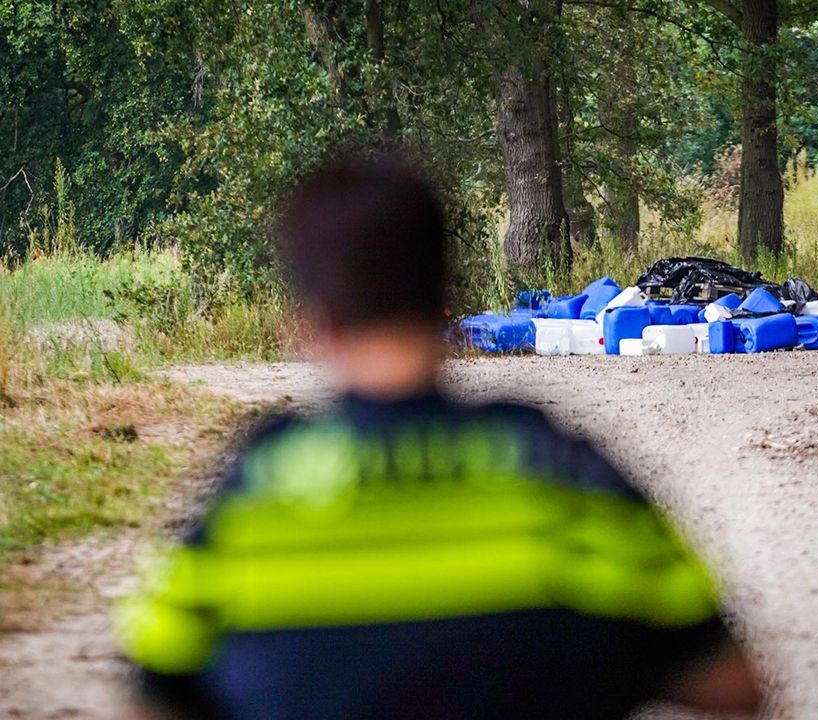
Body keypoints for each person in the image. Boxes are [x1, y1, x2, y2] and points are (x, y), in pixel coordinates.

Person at [114, 153, 761, 720]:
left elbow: (150, 695)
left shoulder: (252, 495)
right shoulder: (560, 471)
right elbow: (732, 685)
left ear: (310, 321)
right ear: (446, 299)